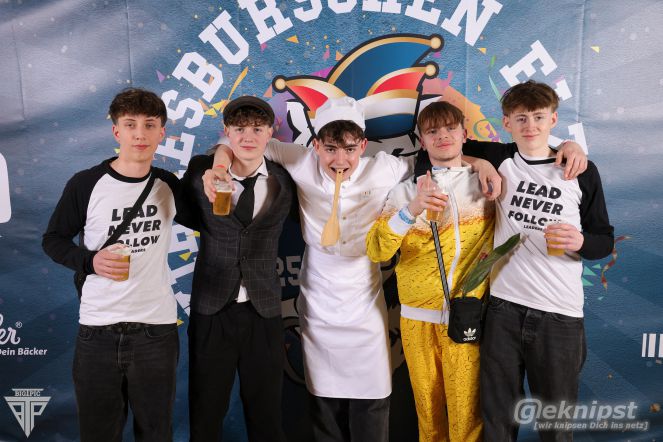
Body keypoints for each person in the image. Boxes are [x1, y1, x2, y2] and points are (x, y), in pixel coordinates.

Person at [206, 96, 585, 442]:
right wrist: (220, 165)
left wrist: (488, 160)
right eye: (330, 149)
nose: (340, 160)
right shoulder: (300, 161)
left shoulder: (385, 169)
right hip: (318, 296)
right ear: (316, 145)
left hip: (367, 297)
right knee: (323, 400)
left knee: (377, 400)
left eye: (350, 149)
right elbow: (244, 143)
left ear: (363, 146)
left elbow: (444, 155)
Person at [461, 80, 614, 441]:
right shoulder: (501, 157)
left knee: (556, 427)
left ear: (553, 119)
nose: (530, 126)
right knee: (497, 421)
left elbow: (604, 242)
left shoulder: (580, 170)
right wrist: (480, 163)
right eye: (521, 118)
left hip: (559, 315)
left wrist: (580, 241)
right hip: (503, 309)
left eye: (539, 117)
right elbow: (442, 150)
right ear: (507, 123)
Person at [42, 88, 181, 442]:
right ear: (116, 131)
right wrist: (90, 261)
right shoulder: (86, 183)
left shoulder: (168, 185)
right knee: (98, 434)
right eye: (130, 124)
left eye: (150, 125)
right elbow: (53, 240)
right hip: (98, 330)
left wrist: (216, 172)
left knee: (156, 433)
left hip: (156, 331)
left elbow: (213, 220)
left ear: (162, 133)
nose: (140, 134)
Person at [366, 101, 495, 442]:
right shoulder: (405, 192)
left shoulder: (488, 184)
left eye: (450, 128)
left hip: (467, 317)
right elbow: (377, 249)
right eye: (433, 131)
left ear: (464, 134)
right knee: (429, 417)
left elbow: (535, 151)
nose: (443, 137)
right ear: (422, 141)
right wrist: (411, 210)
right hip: (416, 320)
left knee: (467, 419)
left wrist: (482, 163)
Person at [179, 96, 295, 442]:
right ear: (226, 131)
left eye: (257, 129)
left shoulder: (284, 181)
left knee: (267, 415)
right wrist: (218, 163)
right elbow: (185, 212)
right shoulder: (201, 173)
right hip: (212, 309)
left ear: (271, 132)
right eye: (239, 129)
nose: (248, 137)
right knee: (206, 412)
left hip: (264, 310)